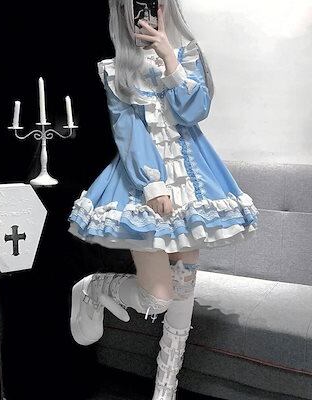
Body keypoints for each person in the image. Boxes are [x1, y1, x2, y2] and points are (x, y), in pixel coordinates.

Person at [68, 1, 259, 399]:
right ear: (123, 14)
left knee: (183, 291)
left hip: (195, 185)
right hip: (144, 185)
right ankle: (94, 287)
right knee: (158, 296)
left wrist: (169, 56)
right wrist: (152, 184)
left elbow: (194, 111)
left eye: (155, 3)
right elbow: (127, 130)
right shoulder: (118, 69)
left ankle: (165, 389)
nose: (147, 13)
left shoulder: (186, 56)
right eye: (137, 6)